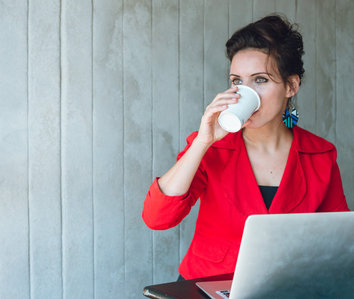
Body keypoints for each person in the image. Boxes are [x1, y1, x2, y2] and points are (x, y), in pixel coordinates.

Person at [142, 14, 350, 280]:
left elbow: (338, 243)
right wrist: (203, 142)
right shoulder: (212, 147)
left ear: (291, 86)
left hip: (281, 289)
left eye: (260, 79)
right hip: (208, 287)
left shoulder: (319, 154)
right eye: (237, 81)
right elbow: (157, 219)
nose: (243, 92)